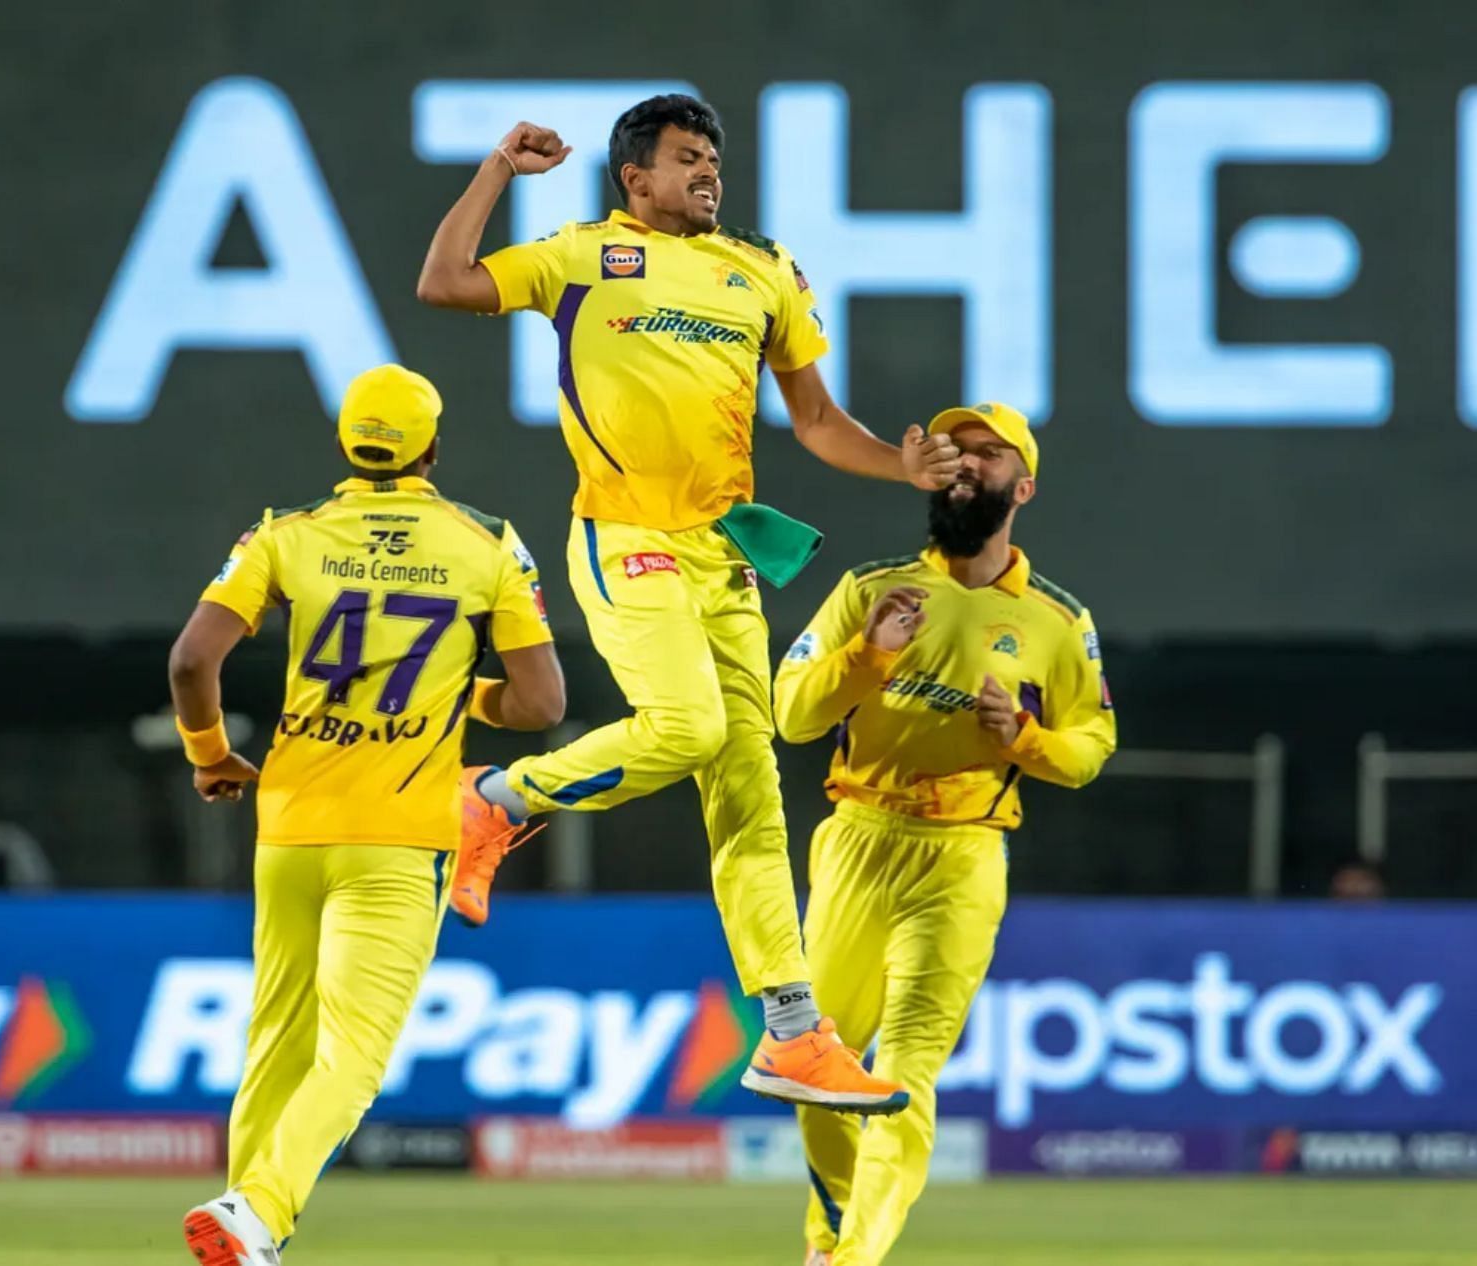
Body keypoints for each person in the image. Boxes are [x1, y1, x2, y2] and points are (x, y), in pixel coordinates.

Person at [416, 92, 957, 1113]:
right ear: (636, 178)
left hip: (725, 561)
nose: (709, 172)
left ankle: (793, 1035)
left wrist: (905, 470)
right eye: (686, 158)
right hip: (625, 538)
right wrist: (496, 169)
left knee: (750, 790)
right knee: (689, 727)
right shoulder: (580, 255)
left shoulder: (761, 272)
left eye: (714, 157)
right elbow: (443, 281)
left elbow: (817, 422)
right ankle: (490, 803)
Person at [167, 365, 564, 1266]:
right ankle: (257, 1214)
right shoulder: (488, 544)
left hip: (291, 823)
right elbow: (541, 704)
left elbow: (193, 662)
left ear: (347, 443)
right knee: (353, 1056)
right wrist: (455, 699)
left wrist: (209, 755)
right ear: (432, 446)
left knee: (274, 1042)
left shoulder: (287, 535)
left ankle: (247, 1228)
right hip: (399, 834)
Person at [774, 403, 1117, 1266]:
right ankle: (832, 1235)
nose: (965, 464)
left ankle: (849, 1260)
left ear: (1023, 487)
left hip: (963, 853)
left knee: (905, 1072)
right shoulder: (870, 589)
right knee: (815, 1063)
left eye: (988, 454)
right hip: (857, 837)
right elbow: (791, 715)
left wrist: (1026, 742)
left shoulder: (1056, 621)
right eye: (954, 451)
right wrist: (868, 656)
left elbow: (1090, 750)